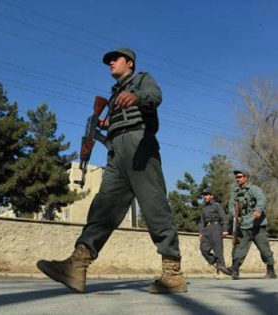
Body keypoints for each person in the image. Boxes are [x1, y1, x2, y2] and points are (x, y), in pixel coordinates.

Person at [37, 48, 187, 294]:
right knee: (103, 207)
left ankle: (172, 272)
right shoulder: (115, 93)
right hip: (116, 152)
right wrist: (108, 124)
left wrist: (136, 98)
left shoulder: (140, 80)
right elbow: (121, 116)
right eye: (109, 62)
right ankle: (77, 265)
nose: (110, 64)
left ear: (129, 63)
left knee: (154, 206)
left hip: (139, 146)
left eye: (115, 60)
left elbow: (155, 96)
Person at [227, 170, 276, 279]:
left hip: (257, 225)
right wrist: (235, 215)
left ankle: (271, 270)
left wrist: (258, 210)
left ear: (246, 178)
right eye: (236, 177)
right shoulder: (235, 192)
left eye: (239, 177)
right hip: (244, 225)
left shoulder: (254, 189)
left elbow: (262, 199)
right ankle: (235, 270)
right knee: (239, 248)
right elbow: (231, 205)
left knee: (264, 249)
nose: (237, 179)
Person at [198, 189, 230, 275]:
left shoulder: (217, 206)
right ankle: (216, 261)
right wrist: (201, 233)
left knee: (218, 250)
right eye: (204, 195)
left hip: (216, 228)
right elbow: (201, 222)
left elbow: (223, 217)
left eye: (207, 195)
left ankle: (221, 270)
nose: (205, 197)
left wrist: (225, 230)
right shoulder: (204, 209)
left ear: (211, 196)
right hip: (206, 230)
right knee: (203, 249)